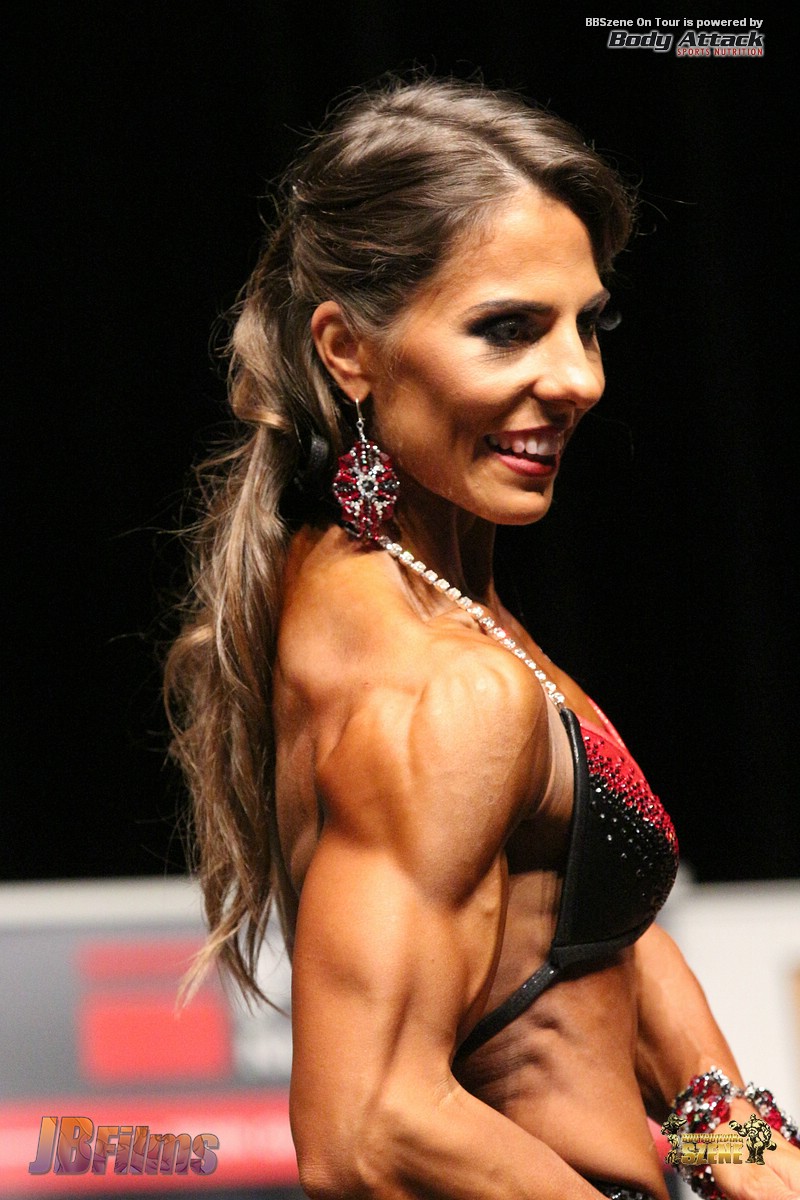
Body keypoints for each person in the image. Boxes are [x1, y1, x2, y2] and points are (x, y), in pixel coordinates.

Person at [165, 76, 800, 1200]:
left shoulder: (431, 595)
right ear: (347, 352)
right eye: (507, 329)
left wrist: (748, 1164)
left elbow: (600, 934)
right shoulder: (438, 687)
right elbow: (365, 1128)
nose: (576, 378)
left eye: (587, 324)